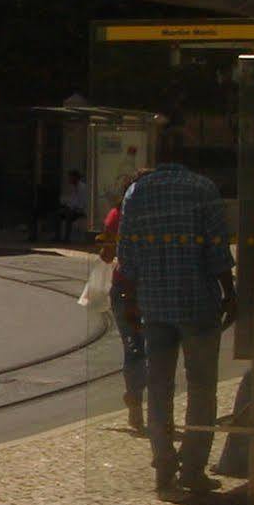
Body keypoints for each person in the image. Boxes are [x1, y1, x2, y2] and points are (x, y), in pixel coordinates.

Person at [116, 162, 237, 502]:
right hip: (198, 302)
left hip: (154, 304)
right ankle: (194, 469)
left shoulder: (136, 193)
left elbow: (127, 257)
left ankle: (164, 467)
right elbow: (217, 249)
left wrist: (130, 300)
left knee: (159, 387)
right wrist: (229, 292)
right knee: (201, 388)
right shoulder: (203, 187)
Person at [97, 173, 145, 431]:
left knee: (133, 347)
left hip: (125, 287)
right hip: (156, 288)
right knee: (160, 348)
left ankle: (136, 401)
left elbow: (106, 255)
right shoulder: (158, 216)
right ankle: (159, 409)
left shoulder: (117, 215)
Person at [58, 170, 89, 243]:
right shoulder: (73, 187)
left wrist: (73, 208)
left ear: (75, 178)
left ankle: (67, 238)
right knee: (57, 214)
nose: (69, 179)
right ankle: (57, 236)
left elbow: (82, 203)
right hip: (72, 208)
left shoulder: (82, 188)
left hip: (80, 210)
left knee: (68, 215)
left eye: (70, 177)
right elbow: (72, 200)